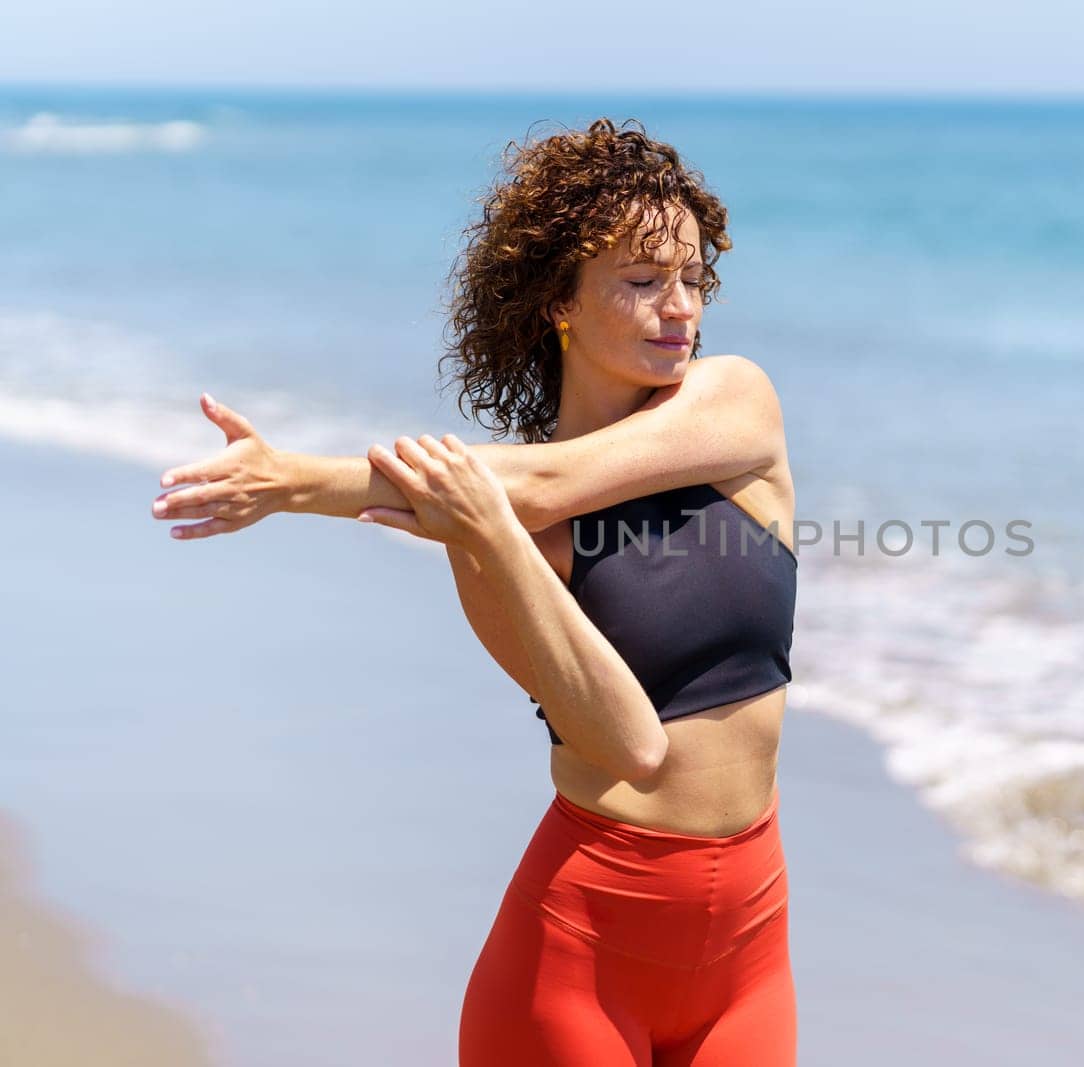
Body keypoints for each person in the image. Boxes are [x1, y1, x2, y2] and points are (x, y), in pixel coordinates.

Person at [149, 117, 800, 1066]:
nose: (682, 308)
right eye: (643, 279)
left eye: (694, 277)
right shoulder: (495, 530)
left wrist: (293, 480)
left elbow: (539, 484)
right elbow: (631, 744)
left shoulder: (736, 404)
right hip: (579, 961)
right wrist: (491, 534)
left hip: (751, 946)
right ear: (559, 303)